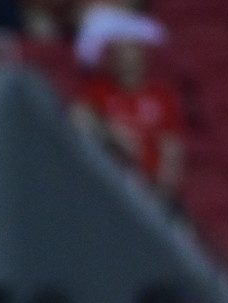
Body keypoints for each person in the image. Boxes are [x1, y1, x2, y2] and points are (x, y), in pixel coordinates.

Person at [72, 39, 184, 202]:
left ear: (143, 62)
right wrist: (110, 132)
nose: (127, 67)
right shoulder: (98, 91)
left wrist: (165, 186)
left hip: (150, 182)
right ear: (113, 63)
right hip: (112, 174)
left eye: (132, 61)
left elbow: (171, 145)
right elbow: (78, 117)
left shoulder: (161, 97)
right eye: (122, 61)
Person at [73, 0, 162, 70]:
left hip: (144, 82)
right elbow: (86, 57)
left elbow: (162, 57)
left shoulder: (149, 25)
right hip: (105, 78)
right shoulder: (97, 19)